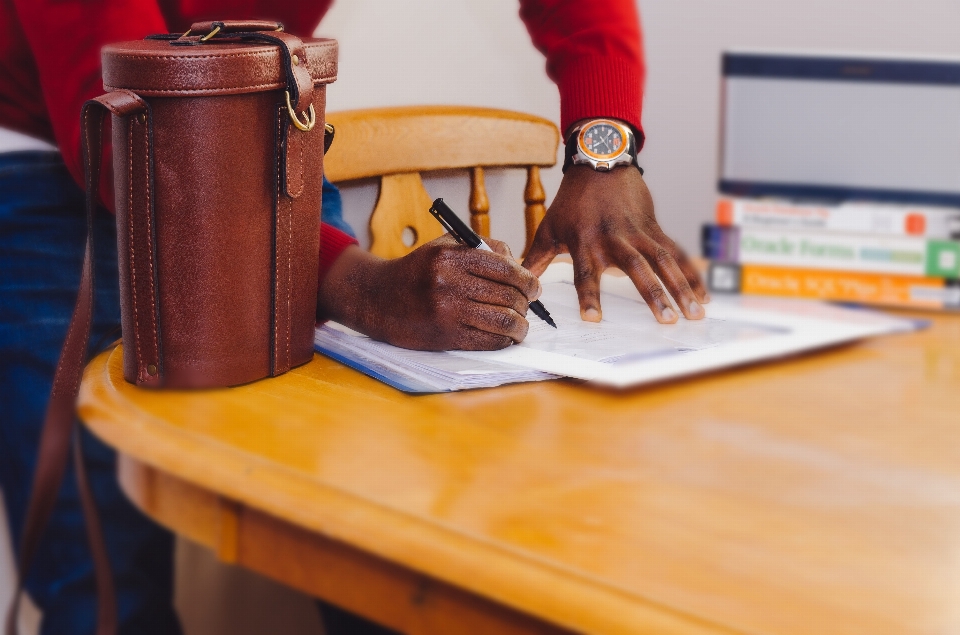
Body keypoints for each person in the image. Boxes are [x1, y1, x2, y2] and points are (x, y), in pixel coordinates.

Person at [0, 0, 709, 633]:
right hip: (48, 151)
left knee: (357, 508)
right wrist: (367, 291)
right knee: (98, 586)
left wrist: (602, 147)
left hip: (251, 113)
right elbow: (114, 120)